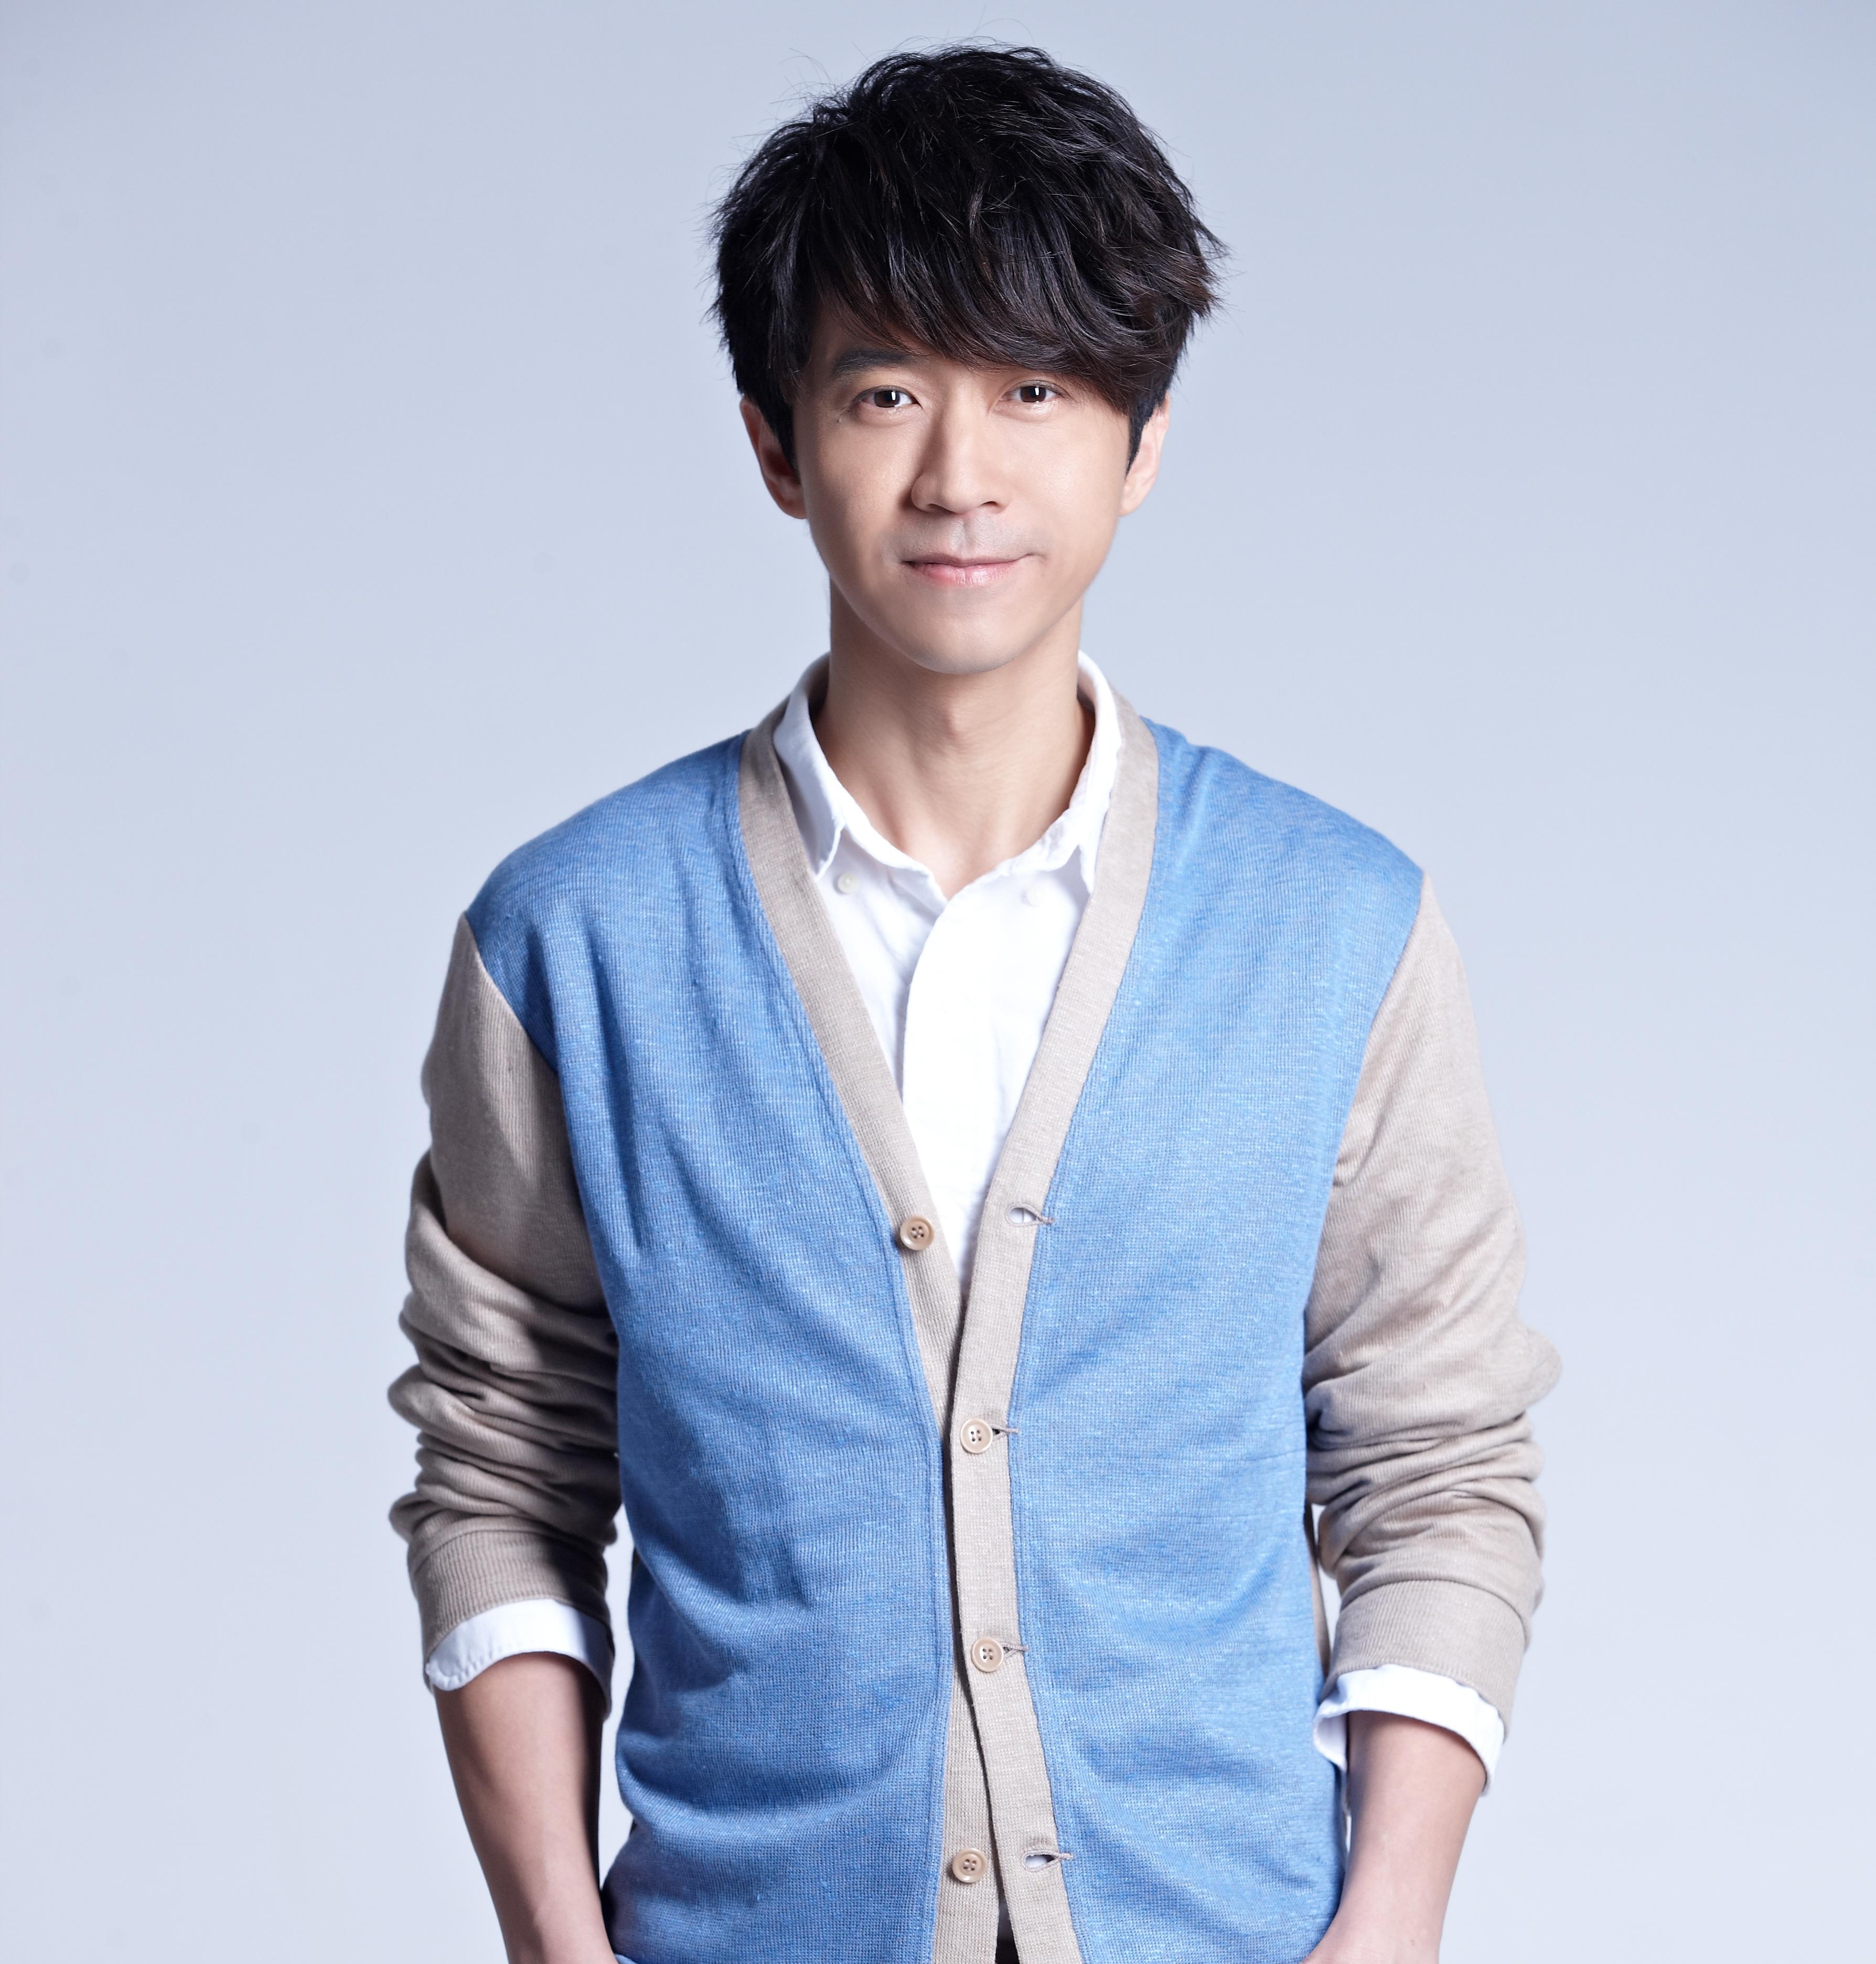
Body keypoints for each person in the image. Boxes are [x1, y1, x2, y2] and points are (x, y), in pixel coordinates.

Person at [388, 43, 1559, 1964]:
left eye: (1035, 389)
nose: (961, 474)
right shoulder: (573, 941)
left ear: (1141, 440)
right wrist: (554, 1942)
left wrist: (1390, 1925)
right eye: (885, 392)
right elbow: (502, 1464)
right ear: (779, 445)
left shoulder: (1336, 928)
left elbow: (1437, 1463)